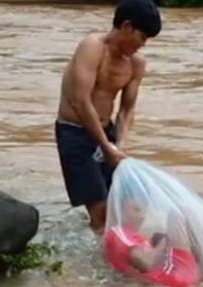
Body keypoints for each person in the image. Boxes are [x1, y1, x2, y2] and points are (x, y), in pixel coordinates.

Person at [55, 0, 162, 235]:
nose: (142, 46)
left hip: (108, 132)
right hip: (74, 132)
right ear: (126, 27)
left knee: (126, 205)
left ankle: (119, 250)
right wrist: (106, 146)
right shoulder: (92, 47)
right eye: (142, 38)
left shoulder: (136, 64)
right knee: (101, 211)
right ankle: (101, 266)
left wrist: (120, 146)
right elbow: (80, 101)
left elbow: (126, 110)